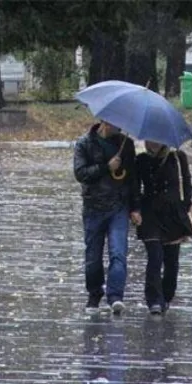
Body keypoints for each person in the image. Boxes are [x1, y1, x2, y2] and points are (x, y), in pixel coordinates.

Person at [74, 121, 140, 315]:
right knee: (93, 256)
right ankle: (94, 295)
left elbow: (132, 178)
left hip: (118, 207)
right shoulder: (84, 144)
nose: (118, 126)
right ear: (104, 122)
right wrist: (106, 167)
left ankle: (115, 296)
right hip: (93, 207)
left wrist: (135, 207)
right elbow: (80, 173)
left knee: (118, 252)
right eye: (114, 122)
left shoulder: (125, 145)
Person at [134, 141, 192, 315]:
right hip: (150, 214)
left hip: (173, 215)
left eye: (154, 140)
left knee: (171, 261)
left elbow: (187, 183)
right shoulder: (142, 160)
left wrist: (185, 205)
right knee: (155, 257)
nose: (150, 143)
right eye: (148, 140)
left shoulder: (178, 157)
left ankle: (166, 296)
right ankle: (154, 300)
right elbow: (136, 187)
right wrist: (135, 209)